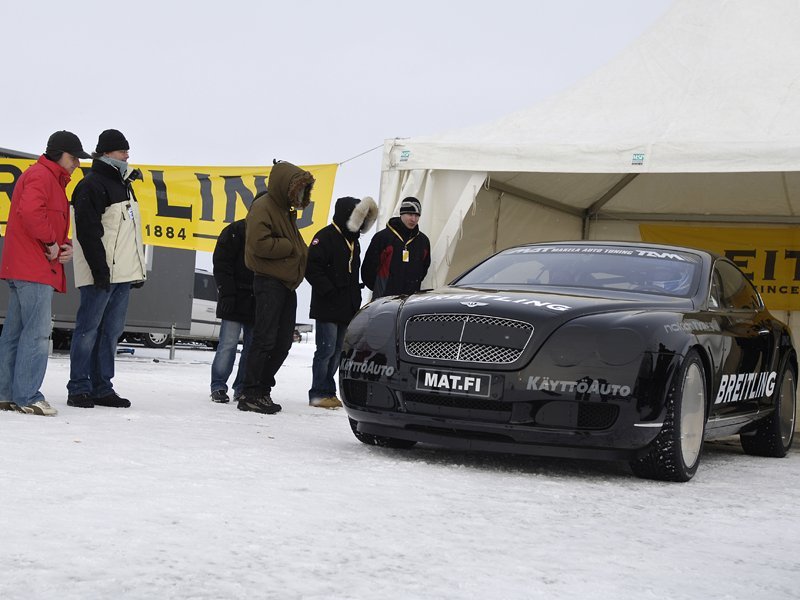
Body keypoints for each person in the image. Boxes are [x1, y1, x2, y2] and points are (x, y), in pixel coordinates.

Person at [0, 130, 87, 416]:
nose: (77, 163)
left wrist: (64, 245)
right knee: (36, 335)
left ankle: (6, 393)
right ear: (59, 153)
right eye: (73, 157)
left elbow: (44, 219)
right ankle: (27, 396)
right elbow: (31, 212)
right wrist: (50, 243)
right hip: (33, 268)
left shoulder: (47, 179)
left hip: (26, 265)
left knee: (15, 333)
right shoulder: (42, 177)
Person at [66, 129, 146, 409]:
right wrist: (100, 271)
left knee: (110, 333)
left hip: (122, 275)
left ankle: (102, 387)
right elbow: (87, 232)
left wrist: (136, 271)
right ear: (108, 153)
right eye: (123, 151)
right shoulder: (92, 185)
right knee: (88, 330)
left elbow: (128, 235)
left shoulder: (124, 185)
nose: (127, 155)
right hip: (101, 274)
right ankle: (79, 387)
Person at [238, 160, 315, 414]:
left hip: (286, 284)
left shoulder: (285, 210)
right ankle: (250, 392)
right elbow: (259, 244)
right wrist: (291, 248)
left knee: (283, 342)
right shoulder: (263, 206)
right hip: (269, 282)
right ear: (288, 186)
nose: (302, 195)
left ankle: (262, 389)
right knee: (265, 339)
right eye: (300, 189)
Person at [305, 196, 378, 409]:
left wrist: (354, 298)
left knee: (338, 351)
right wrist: (329, 290)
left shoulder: (354, 241)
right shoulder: (325, 237)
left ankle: (328, 391)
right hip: (327, 306)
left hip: (346, 307)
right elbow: (312, 268)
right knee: (325, 350)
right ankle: (318, 392)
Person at [209, 219, 254, 403]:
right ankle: (218, 386)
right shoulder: (235, 231)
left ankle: (241, 387)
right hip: (235, 297)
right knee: (228, 345)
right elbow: (221, 264)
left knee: (250, 349)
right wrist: (227, 293)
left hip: (256, 298)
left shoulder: (267, 231)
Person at [361, 196, 431, 299]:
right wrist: (379, 288)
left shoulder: (423, 241)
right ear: (402, 214)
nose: (413, 219)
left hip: (410, 301)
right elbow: (368, 269)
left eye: (417, 215)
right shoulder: (383, 237)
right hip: (383, 299)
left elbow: (424, 269)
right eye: (410, 214)